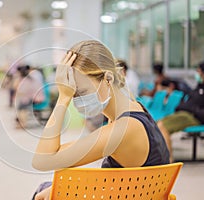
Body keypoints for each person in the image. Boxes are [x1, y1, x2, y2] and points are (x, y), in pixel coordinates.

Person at [32, 40, 170, 200]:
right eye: (72, 94)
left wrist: (63, 97)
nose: (77, 100)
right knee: (48, 188)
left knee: (43, 191)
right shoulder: (134, 108)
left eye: (81, 91)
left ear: (108, 79)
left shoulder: (123, 130)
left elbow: (42, 160)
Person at [158, 61, 204, 162]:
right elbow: (187, 103)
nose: (197, 74)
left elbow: (196, 110)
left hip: (193, 118)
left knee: (162, 127)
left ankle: (169, 160)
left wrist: (190, 108)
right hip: (184, 114)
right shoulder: (199, 87)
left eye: (199, 71)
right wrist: (186, 107)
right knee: (156, 125)